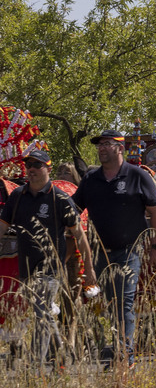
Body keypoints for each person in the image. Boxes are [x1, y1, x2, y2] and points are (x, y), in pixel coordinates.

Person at [72, 129, 156, 368]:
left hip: (129, 251)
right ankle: (122, 350)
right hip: (100, 253)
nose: (101, 147)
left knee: (124, 303)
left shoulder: (137, 176)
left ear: (120, 148)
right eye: (99, 144)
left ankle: (126, 359)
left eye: (107, 144)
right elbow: (72, 209)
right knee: (112, 307)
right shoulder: (91, 180)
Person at [0, 147, 96, 371]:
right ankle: (63, 355)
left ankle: (36, 368)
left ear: (48, 168)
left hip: (51, 268)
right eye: (28, 165)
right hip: (26, 267)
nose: (31, 169)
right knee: (42, 312)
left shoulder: (60, 199)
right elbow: (2, 228)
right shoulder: (17, 196)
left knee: (42, 311)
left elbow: (80, 238)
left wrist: (89, 269)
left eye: (37, 165)